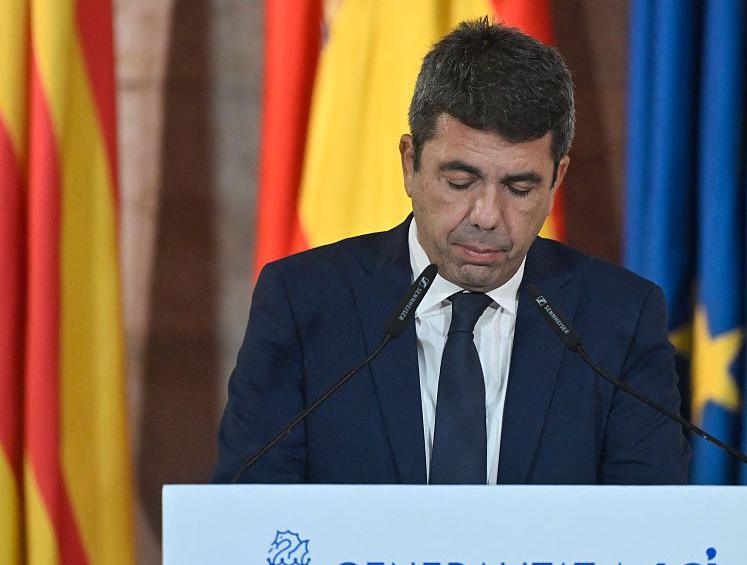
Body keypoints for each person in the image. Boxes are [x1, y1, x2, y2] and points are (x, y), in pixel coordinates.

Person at [212, 18, 689, 484]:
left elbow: (651, 521)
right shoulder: (303, 302)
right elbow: (249, 507)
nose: (487, 215)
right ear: (410, 163)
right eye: (460, 182)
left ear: (556, 179)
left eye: (520, 188)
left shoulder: (619, 318)